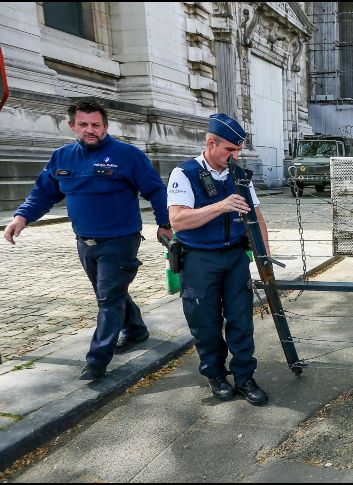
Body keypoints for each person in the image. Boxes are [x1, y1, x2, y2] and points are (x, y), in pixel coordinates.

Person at [3, 100, 172, 380]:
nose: (89, 130)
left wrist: (164, 224)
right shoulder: (62, 157)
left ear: (105, 126)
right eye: (83, 124)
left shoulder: (128, 155)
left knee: (108, 298)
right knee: (109, 293)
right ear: (72, 126)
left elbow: (155, 190)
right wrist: (21, 217)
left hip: (120, 240)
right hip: (84, 241)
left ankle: (97, 361)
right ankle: (136, 329)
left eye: (96, 125)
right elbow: (44, 193)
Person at [167, 113, 270, 406]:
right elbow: (179, 220)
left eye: (238, 150)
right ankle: (215, 376)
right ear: (211, 143)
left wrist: (264, 258)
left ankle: (244, 377)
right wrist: (221, 206)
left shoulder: (240, 176)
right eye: (230, 150)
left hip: (235, 257)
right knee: (205, 323)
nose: (235, 155)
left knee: (241, 320)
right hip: (199, 260)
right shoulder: (184, 173)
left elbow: (258, 218)